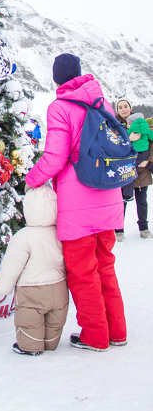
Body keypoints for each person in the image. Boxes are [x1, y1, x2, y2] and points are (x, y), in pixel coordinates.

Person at [25, 53, 127, 352]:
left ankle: (95, 336)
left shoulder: (60, 107)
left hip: (78, 201)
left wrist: (31, 179)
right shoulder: (101, 102)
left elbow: (55, 157)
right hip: (108, 196)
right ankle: (117, 331)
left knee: (82, 273)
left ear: (56, 78)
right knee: (105, 267)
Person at [0, 185, 69, 355]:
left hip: (31, 289)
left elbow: (12, 265)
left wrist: (3, 288)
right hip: (59, 288)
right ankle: (51, 342)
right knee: (55, 320)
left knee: (29, 319)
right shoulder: (60, 233)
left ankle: (31, 346)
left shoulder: (23, 236)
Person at [114, 98, 153, 241]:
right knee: (121, 201)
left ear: (131, 108)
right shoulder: (114, 126)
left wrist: (148, 161)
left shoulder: (141, 124)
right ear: (117, 111)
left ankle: (144, 228)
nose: (123, 109)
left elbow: (151, 143)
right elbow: (112, 147)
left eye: (126, 106)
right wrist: (128, 139)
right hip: (123, 170)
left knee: (142, 200)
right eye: (120, 107)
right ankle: (119, 230)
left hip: (142, 170)